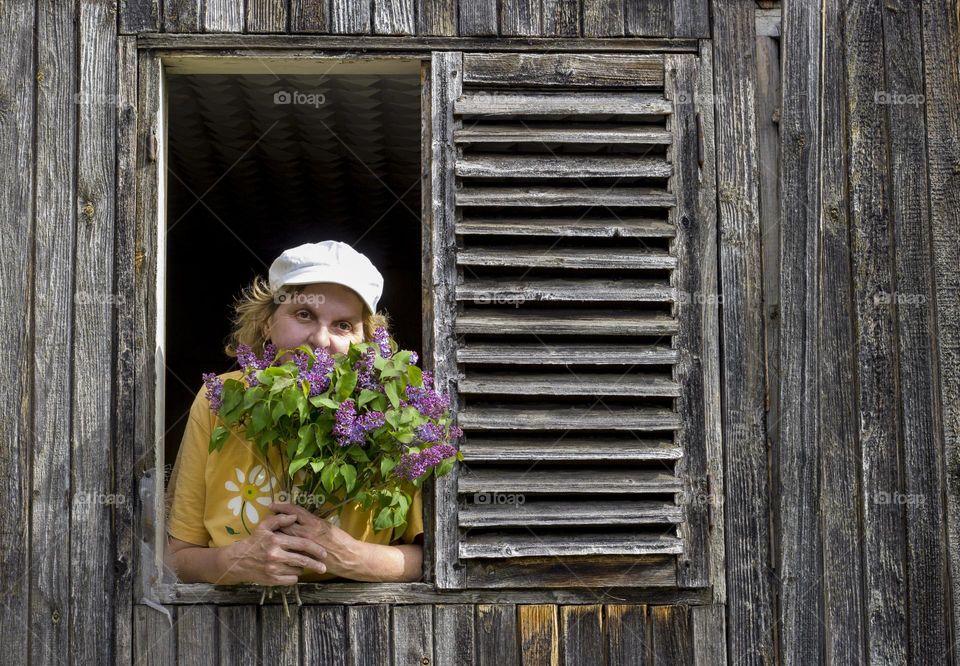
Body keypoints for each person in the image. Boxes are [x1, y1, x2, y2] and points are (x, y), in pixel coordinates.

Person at [164, 241, 423, 586]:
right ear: (268, 323)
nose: (320, 339)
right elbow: (176, 558)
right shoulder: (223, 399)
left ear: (367, 341)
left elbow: (432, 560)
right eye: (304, 314)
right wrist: (235, 562)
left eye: (343, 325)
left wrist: (349, 556)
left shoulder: (395, 417)